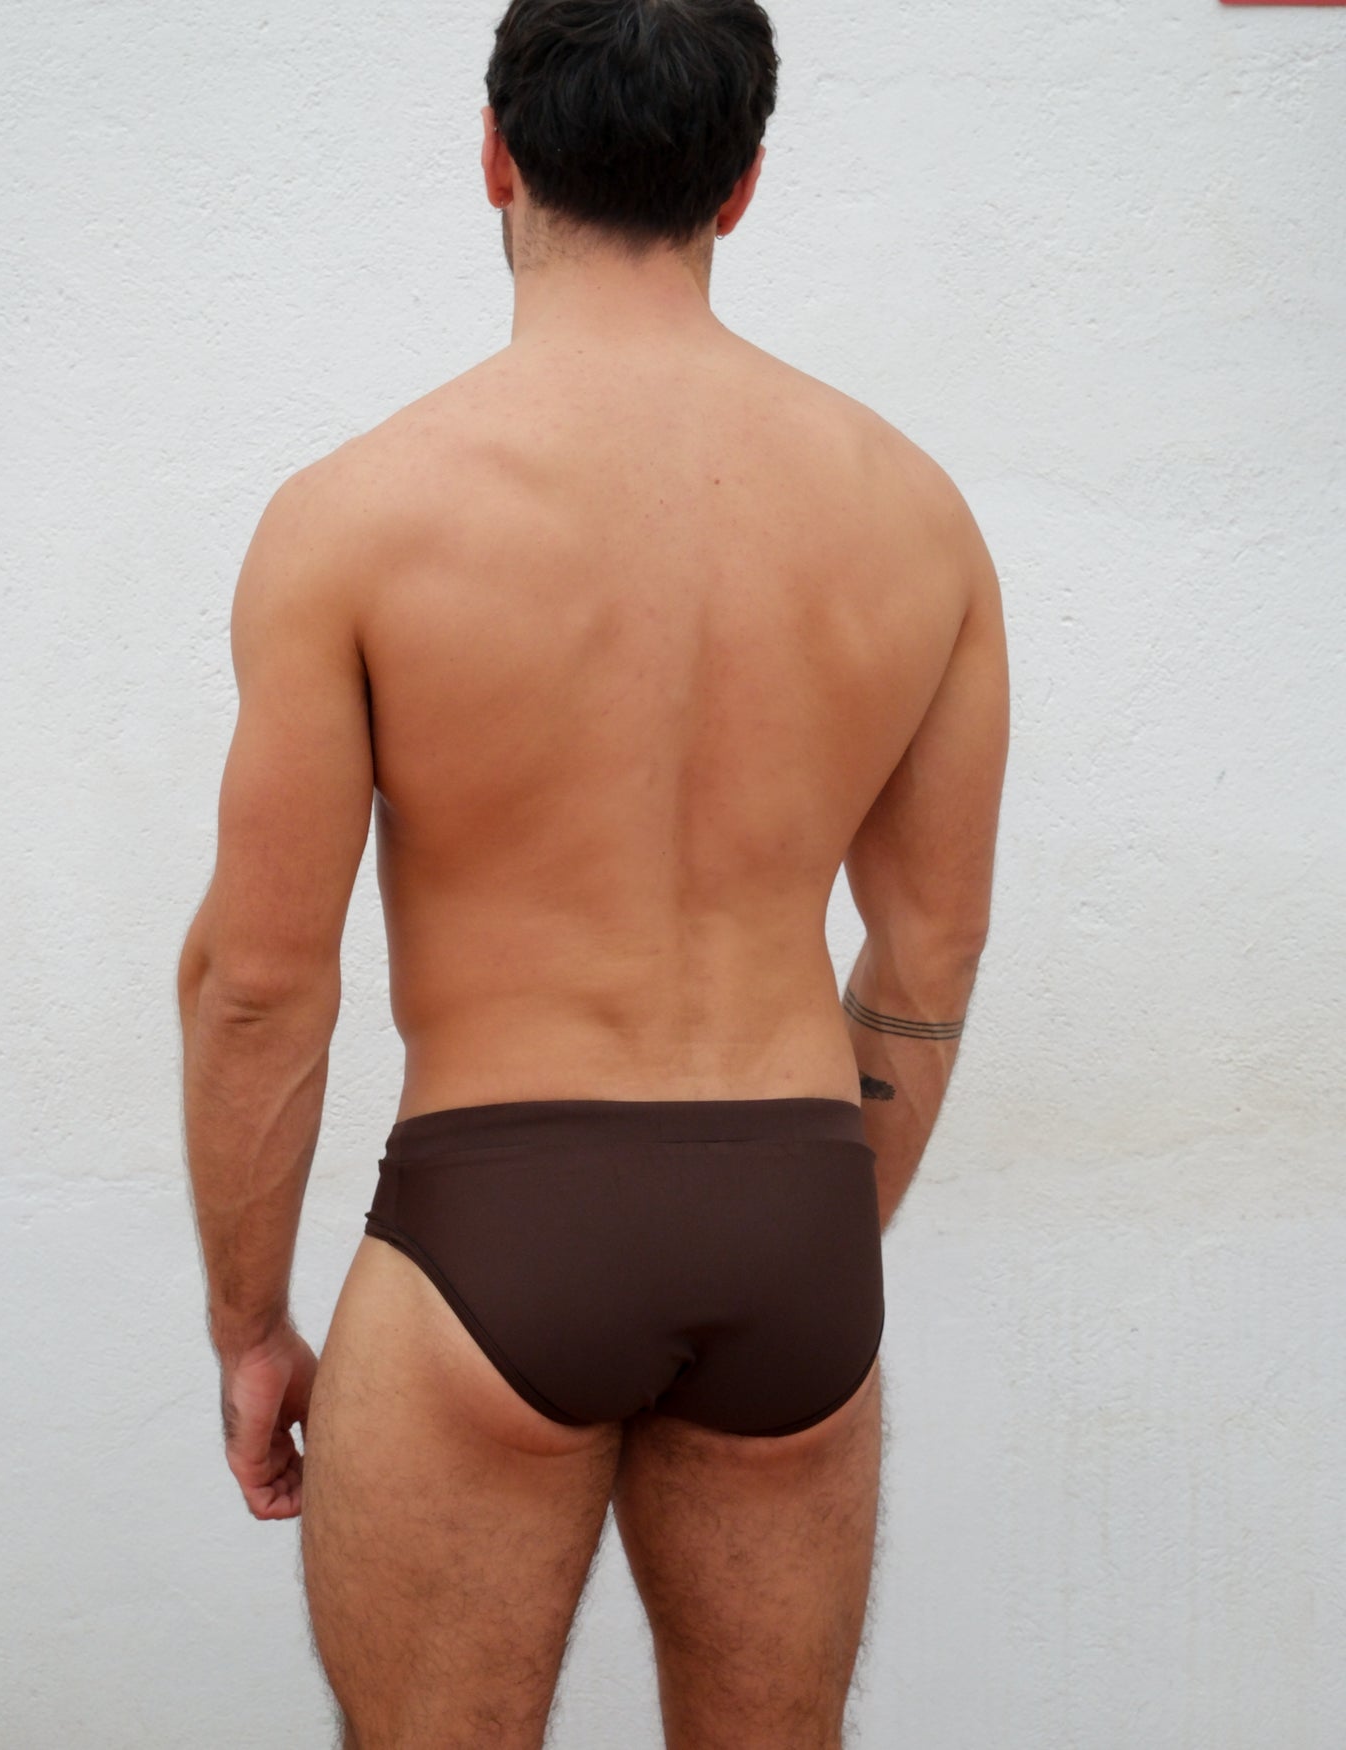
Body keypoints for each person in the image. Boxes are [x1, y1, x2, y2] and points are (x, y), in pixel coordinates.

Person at [175, 1, 1009, 1743]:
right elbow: (927, 952)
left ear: (497, 153)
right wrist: (791, 1229)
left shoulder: (358, 516)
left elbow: (258, 980)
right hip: (795, 1214)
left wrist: (250, 1325)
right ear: (743, 185)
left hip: (496, 1217)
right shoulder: (919, 517)